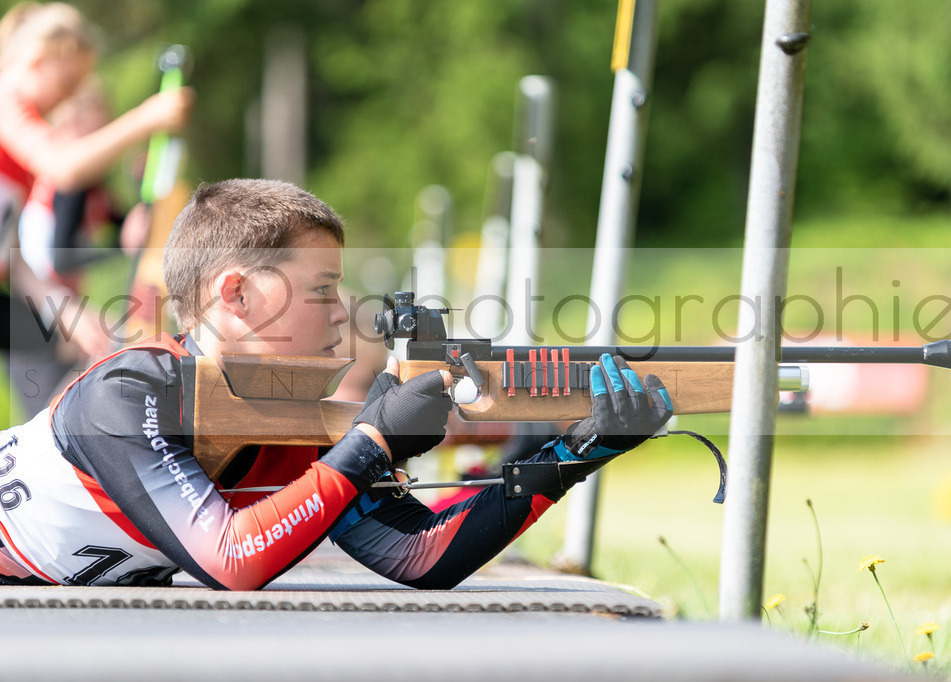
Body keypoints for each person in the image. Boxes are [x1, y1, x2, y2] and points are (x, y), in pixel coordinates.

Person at [0, 178, 673, 590]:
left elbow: (419, 553)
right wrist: (372, 439)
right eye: (320, 288)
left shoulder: (288, 418)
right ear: (234, 293)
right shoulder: (126, 392)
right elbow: (231, 559)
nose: (341, 309)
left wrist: (570, 456)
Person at [0, 2, 192, 364]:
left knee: (66, 350)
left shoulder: (20, 159)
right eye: (67, 83)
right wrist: (146, 118)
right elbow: (65, 167)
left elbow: (13, 257)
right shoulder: (5, 102)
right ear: (38, 59)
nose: (68, 98)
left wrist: (66, 311)